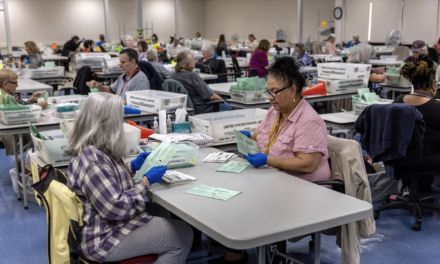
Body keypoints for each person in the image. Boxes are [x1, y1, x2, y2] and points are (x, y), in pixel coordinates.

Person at [208, 57, 331, 264]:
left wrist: (268, 159)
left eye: (275, 91)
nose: (270, 97)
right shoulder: (275, 112)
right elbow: (263, 135)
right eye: (268, 91)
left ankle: (259, 255)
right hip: (273, 178)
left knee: (243, 200)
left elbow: (307, 164)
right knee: (227, 190)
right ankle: (239, 251)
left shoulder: (309, 121)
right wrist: (251, 138)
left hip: (305, 188)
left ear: (293, 90)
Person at [64, 93, 193, 264]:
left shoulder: (93, 149)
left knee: (160, 211)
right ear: (106, 124)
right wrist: (145, 182)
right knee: (182, 234)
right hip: (102, 237)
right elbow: (115, 208)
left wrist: (131, 167)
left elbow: (106, 180)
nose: (121, 124)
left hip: (100, 222)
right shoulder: (92, 160)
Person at [393, 53, 440, 174]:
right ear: (433, 84)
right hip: (429, 162)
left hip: (399, 158)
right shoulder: (436, 107)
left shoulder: (398, 101)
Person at [0, 69, 48, 155]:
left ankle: (22, 163)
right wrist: (39, 106)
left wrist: (32, 99)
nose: (17, 85)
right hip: (11, 132)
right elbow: (22, 111)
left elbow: (20, 105)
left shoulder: (6, 95)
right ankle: (23, 163)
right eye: (15, 83)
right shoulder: (3, 98)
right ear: (5, 84)